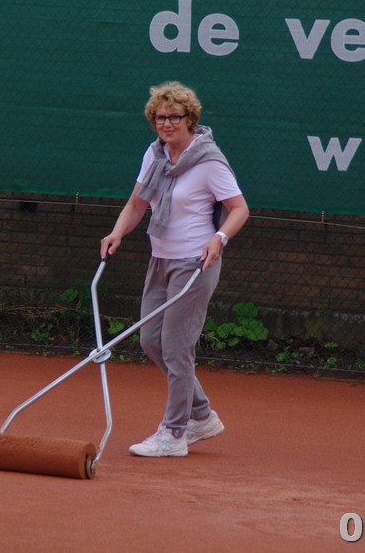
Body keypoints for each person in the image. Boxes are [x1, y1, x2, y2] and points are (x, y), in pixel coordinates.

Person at [100, 81, 249, 458]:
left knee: (177, 347)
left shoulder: (209, 162)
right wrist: (117, 232)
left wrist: (219, 239)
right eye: (159, 117)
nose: (166, 124)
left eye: (174, 117)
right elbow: (137, 204)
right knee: (151, 340)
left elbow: (239, 209)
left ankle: (174, 433)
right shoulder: (154, 156)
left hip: (195, 264)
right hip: (160, 259)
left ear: (190, 119)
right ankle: (202, 415)